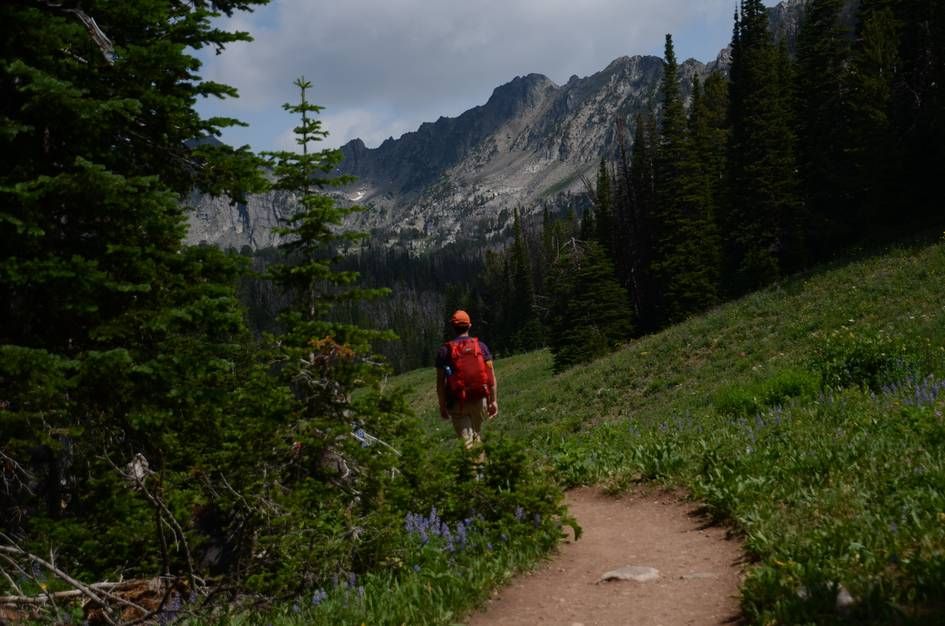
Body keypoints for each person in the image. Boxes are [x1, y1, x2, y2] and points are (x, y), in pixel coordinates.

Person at [435, 310, 498, 450]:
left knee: (467, 445)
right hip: (479, 400)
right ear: (469, 326)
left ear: (453, 327)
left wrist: (442, 406)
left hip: (457, 404)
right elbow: (491, 377)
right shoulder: (481, 347)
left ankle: (474, 470)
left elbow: (440, 384)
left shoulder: (444, 351)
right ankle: (481, 469)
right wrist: (493, 401)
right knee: (476, 436)